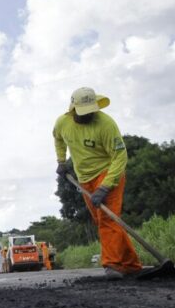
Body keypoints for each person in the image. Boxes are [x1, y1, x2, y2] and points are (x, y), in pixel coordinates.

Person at [53, 87, 143, 279]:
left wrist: (106, 185)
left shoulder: (106, 124)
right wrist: (61, 161)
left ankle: (112, 264)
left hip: (108, 173)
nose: (88, 116)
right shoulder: (62, 122)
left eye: (91, 111)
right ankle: (131, 264)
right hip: (84, 179)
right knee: (105, 221)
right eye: (83, 112)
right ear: (73, 109)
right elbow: (58, 139)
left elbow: (120, 156)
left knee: (108, 220)